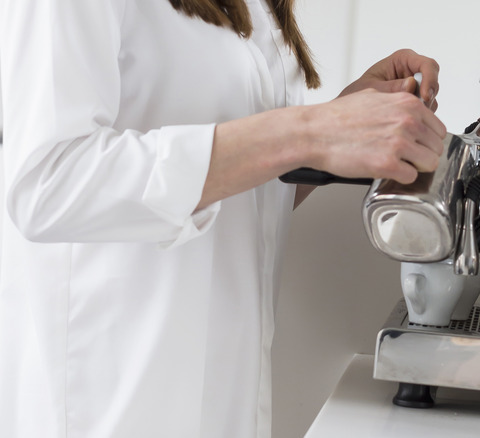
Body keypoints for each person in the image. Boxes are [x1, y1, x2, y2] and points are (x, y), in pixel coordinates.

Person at [0, 0, 446, 437]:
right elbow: (47, 184)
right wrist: (306, 132)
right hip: (111, 402)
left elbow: (239, 202)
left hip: (225, 395)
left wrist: (338, 127)